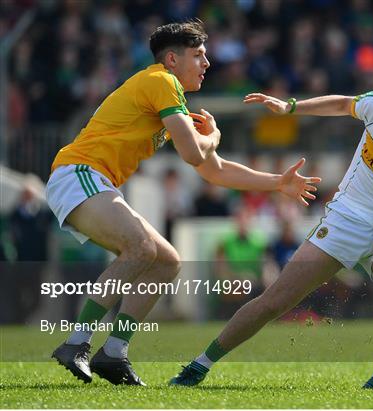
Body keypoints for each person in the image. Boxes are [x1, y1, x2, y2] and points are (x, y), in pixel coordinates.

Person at [46, 20, 321, 386]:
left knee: (167, 261)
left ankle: (113, 353)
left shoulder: (169, 96)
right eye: (199, 55)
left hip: (94, 181)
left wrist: (278, 182)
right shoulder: (162, 81)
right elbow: (195, 154)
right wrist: (214, 137)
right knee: (140, 248)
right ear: (172, 59)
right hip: (78, 173)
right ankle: (76, 343)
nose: (207, 63)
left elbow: (216, 171)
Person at [170, 65, 373, 389]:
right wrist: (291, 107)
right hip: (345, 221)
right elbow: (342, 104)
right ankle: (199, 365)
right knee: (275, 301)